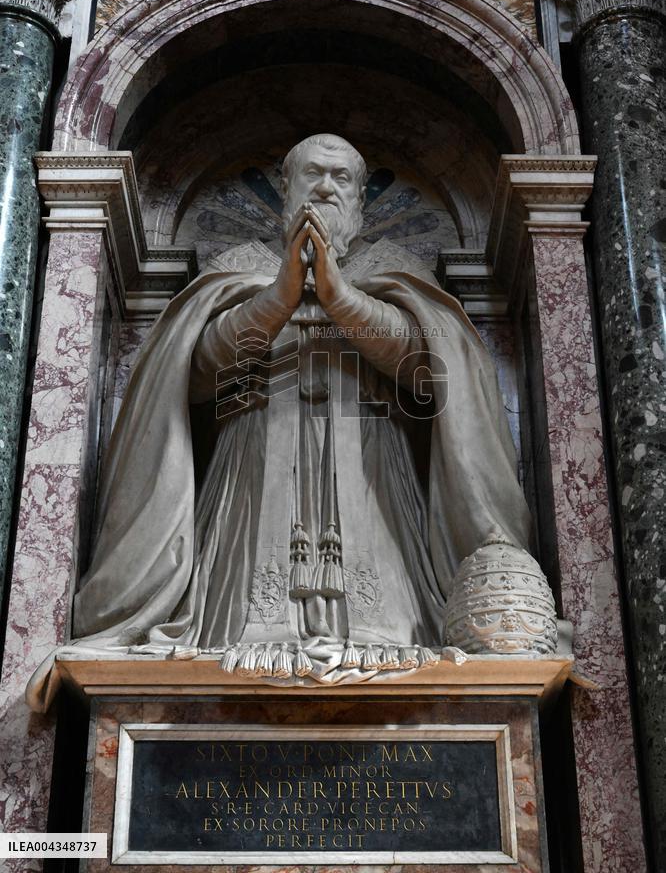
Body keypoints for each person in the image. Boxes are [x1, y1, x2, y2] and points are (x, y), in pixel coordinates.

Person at [62, 135, 533, 680]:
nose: (327, 187)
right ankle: (239, 630)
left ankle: (384, 631)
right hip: (254, 459)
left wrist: (342, 297)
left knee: (388, 620)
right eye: (314, 173)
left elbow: (427, 364)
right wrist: (279, 295)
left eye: (342, 178)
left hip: (373, 465)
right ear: (287, 188)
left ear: (360, 199)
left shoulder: (392, 265)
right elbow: (193, 371)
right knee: (239, 619)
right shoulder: (240, 264)